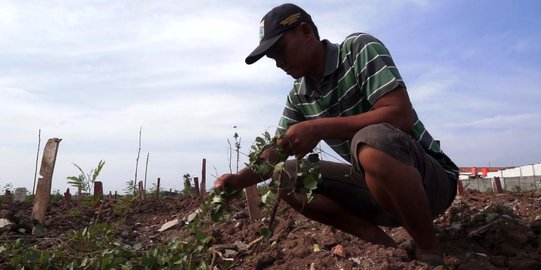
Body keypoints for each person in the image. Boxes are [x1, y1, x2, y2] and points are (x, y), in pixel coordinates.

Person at [215, 3, 458, 266]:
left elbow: (400, 115)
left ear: (306, 31)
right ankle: (383, 245)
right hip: (376, 190)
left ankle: (428, 249)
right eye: (272, 59)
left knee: (371, 142)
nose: (278, 64)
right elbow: (279, 150)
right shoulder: (300, 94)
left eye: (280, 51)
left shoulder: (357, 49)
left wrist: (320, 127)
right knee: (285, 175)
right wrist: (237, 181)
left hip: (430, 184)